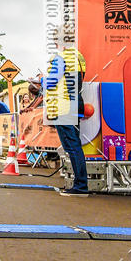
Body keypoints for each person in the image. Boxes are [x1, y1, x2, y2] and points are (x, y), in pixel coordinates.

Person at [43, 47, 88, 196]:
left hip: (63, 107)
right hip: (76, 105)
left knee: (72, 147)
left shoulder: (61, 58)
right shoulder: (78, 57)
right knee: (75, 146)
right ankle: (80, 184)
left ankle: (80, 186)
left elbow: (51, 82)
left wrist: (42, 80)